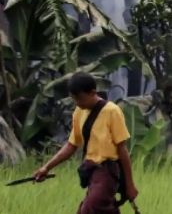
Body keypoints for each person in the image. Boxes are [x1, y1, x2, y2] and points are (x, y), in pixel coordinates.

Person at [32, 72, 138, 214]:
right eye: (74, 99)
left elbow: (122, 149)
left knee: (90, 208)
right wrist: (46, 168)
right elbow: (71, 145)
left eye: (79, 98)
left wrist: (129, 185)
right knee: (96, 209)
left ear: (92, 92)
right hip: (91, 172)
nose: (77, 103)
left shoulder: (112, 111)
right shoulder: (79, 112)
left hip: (107, 172)